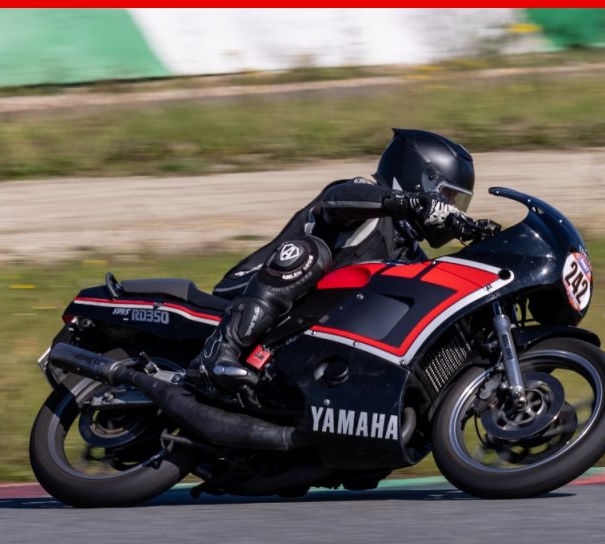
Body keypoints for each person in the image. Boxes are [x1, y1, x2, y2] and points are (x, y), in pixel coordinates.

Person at [195, 128, 476, 406]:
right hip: (247, 289)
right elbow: (335, 199)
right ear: (419, 181)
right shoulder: (366, 200)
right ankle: (221, 349)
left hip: (297, 334)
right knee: (311, 253)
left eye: (457, 203)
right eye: (447, 197)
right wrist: (407, 203)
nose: (451, 209)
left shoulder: (410, 253)